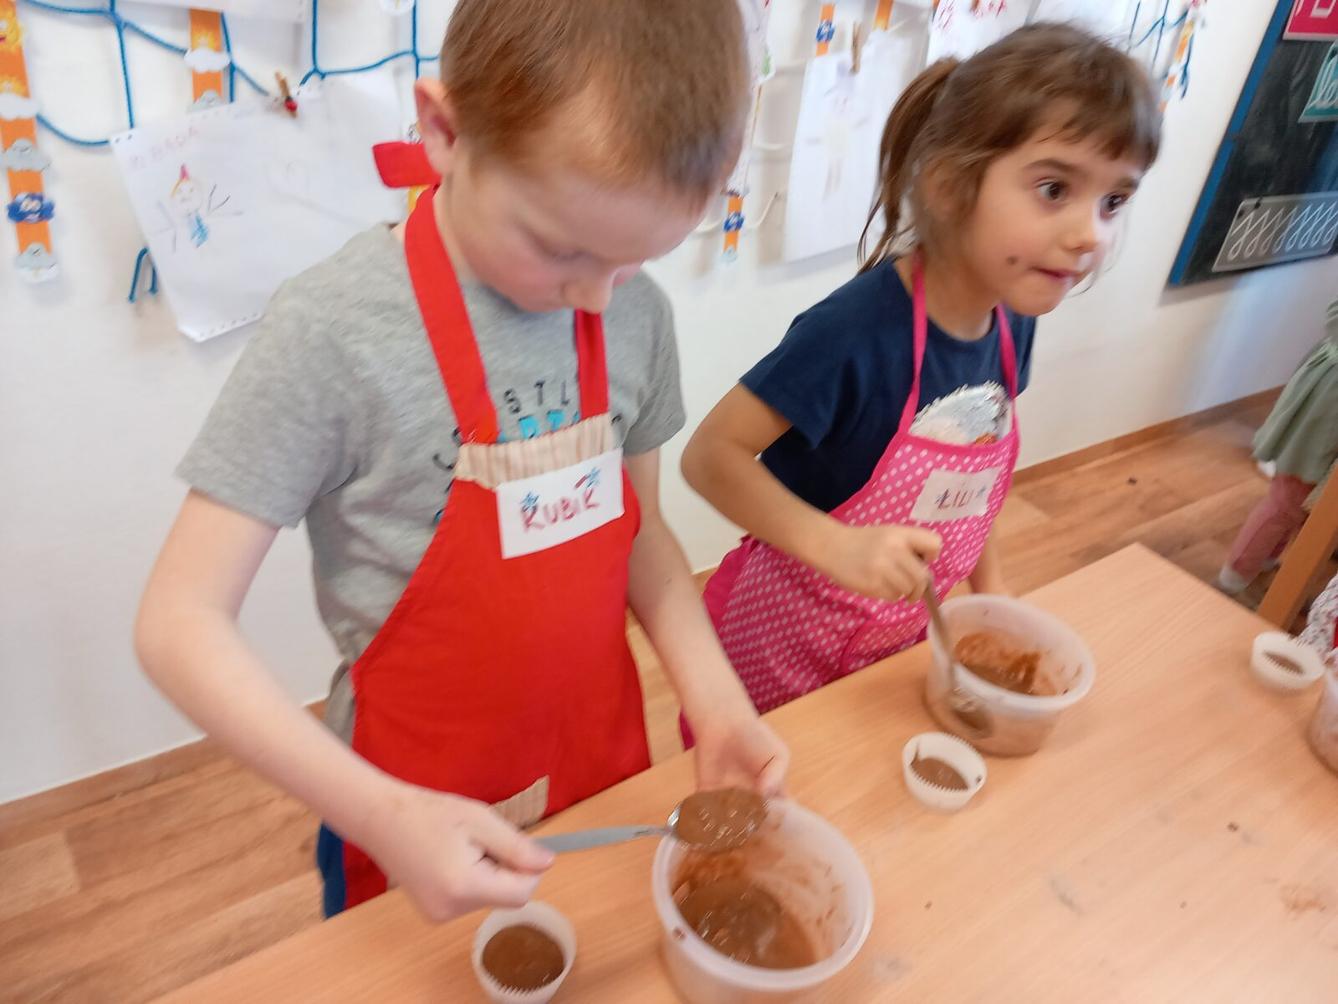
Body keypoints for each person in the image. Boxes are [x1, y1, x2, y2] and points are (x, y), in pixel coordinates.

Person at [135, 0, 788, 923]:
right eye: (562, 248)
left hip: (599, 767)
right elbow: (178, 623)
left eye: (636, 260)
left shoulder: (634, 317)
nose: (596, 297)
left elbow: (640, 535)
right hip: (405, 810)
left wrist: (716, 703)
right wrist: (380, 814)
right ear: (443, 132)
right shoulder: (334, 332)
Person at [681, 24, 1161, 719]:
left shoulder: (1012, 320)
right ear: (948, 186)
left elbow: (976, 485)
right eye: (1054, 188)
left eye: (1114, 201)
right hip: (778, 648)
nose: (1092, 233)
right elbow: (709, 456)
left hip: (891, 645)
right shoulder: (853, 333)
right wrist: (835, 547)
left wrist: (993, 595)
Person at [1218, 298, 1338, 594]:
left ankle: (1266, 560)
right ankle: (1235, 578)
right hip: (1329, 405)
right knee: (1289, 500)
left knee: (1311, 507)